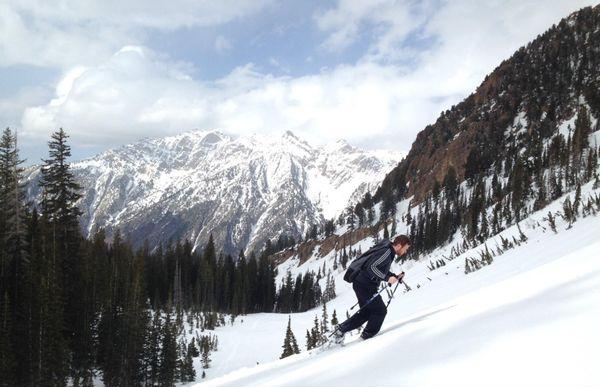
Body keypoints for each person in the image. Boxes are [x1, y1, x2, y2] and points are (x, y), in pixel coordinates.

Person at [334, 235, 411, 343]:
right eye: (405, 248)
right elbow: (372, 267)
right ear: (399, 246)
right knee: (380, 311)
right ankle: (365, 339)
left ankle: (341, 330)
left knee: (366, 313)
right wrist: (388, 278)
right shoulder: (387, 252)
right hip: (365, 285)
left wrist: (394, 276)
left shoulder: (388, 252)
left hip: (362, 283)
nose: (405, 251)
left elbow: (379, 269)